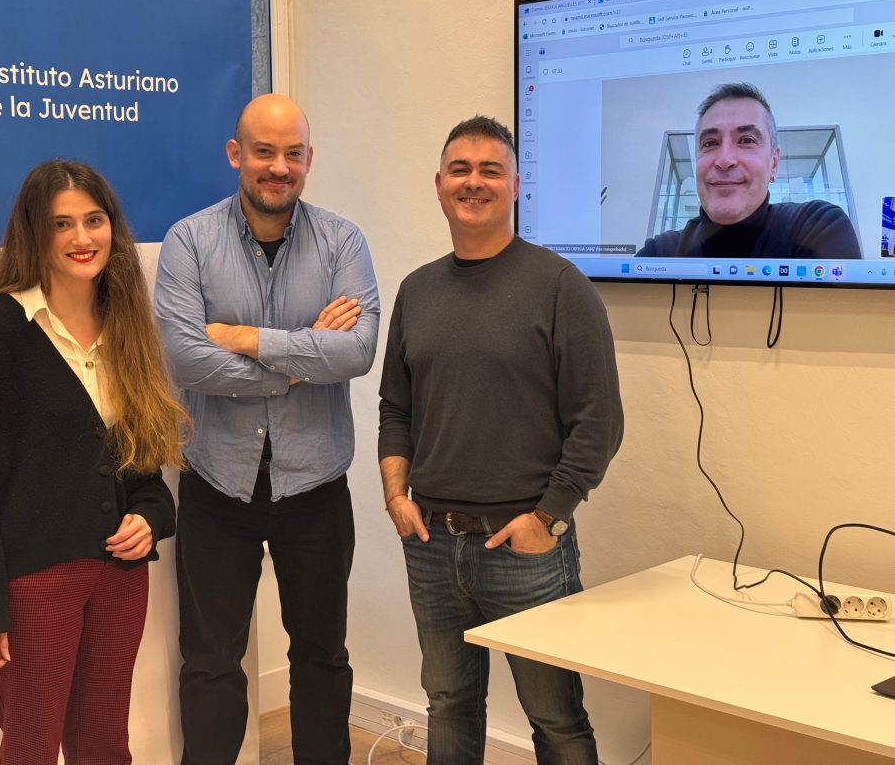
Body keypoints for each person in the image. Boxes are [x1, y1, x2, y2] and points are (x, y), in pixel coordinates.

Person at [378, 116, 623, 765]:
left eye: (491, 170)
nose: (474, 182)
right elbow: (396, 406)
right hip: (431, 543)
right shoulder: (417, 290)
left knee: (556, 720)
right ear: (439, 184)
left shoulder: (560, 286)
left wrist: (548, 517)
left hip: (527, 548)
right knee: (448, 705)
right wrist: (396, 495)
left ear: (516, 185)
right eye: (461, 169)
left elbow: (600, 421)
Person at [154, 93, 379, 765]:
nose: (278, 167)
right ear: (236, 155)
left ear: (309, 159)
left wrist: (246, 338)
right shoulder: (189, 241)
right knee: (210, 660)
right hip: (216, 485)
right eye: (263, 152)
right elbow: (185, 359)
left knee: (322, 655)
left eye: (292, 153)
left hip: (315, 486)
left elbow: (357, 352)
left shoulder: (343, 242)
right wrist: (301, 361)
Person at [0, 160, 187, 765]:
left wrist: (151, 517)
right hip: (33, 585)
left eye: (94, 220)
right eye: (62, 224)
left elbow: (144, 471)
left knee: (105, 743)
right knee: (30, 747)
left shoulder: (125, 327)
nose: (82, 237)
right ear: (35, 233)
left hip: (119, 579)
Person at [637, 82, 862, 258]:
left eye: (746, 140)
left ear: (774, 164)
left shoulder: (817, 227)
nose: (724, 160)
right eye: (710, 143)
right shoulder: (661, 252)